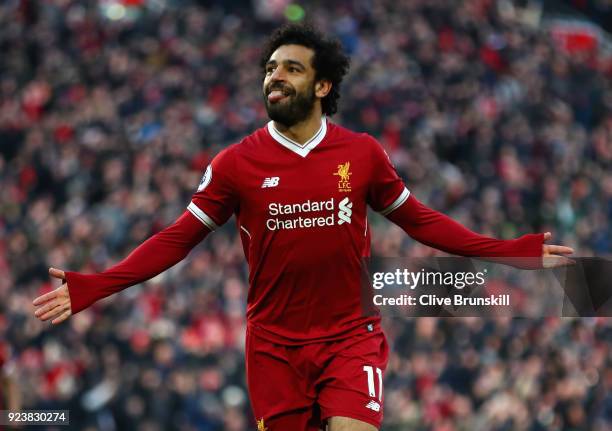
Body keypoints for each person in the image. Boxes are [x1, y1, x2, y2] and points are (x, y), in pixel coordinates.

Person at [33, 23, 574, 431]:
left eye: (291, 67)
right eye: (270, 67)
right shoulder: (235, 164)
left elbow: (421, 222)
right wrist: (94, 285)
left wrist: (512, 251)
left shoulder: (361, 154)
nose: (275, 76)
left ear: (322, 85)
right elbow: (176, 239)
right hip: (273, 348)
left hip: (350, 337)